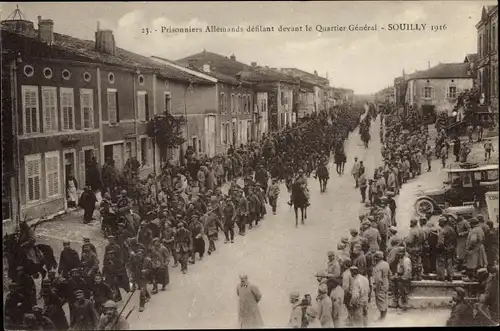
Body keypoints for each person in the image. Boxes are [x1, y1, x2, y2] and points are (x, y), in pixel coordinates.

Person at [372, 251, 391, 320]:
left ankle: (382, 317)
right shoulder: (386, 263)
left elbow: (378, 280)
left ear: (377, 258)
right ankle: (384, 315)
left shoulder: (378, 267)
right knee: (385, 299)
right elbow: (390, 274)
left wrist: (377, 290)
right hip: (386, 282)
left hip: (381, 285)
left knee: (380, 300)